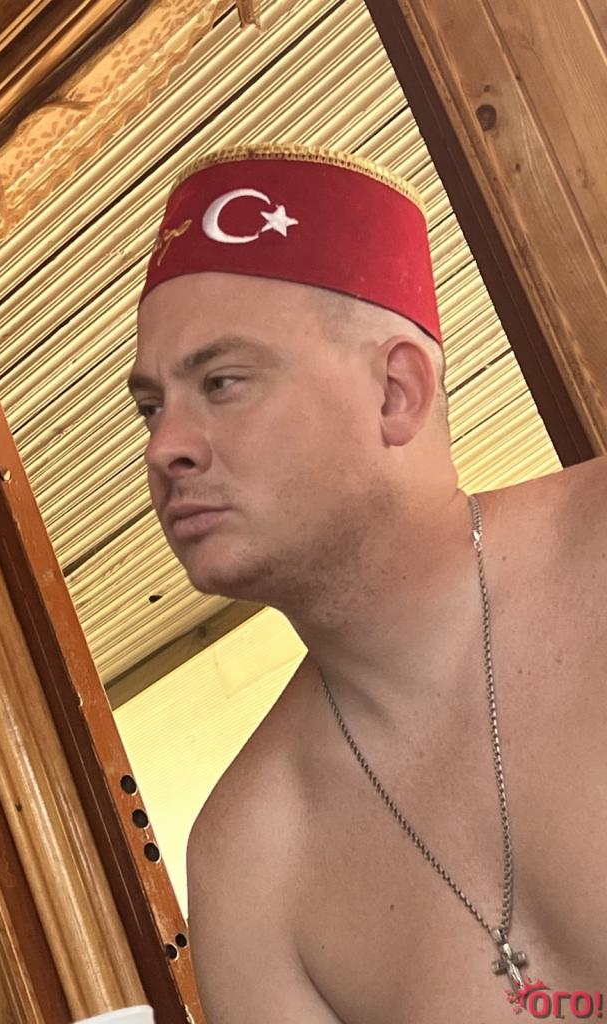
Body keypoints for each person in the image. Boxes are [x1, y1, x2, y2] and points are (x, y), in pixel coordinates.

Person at [128, 143, 607, 1023]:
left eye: (222, 383)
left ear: (396, 391)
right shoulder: (250, 863)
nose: (165, 447)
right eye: (151, 407)